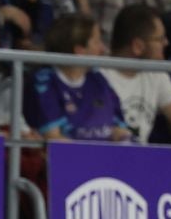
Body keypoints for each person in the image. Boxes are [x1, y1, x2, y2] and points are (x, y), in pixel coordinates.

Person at [106, 4, 171, 144]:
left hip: (141, 162)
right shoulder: (98, 75)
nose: (166, 43)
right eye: (160, 39)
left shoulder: (156, 74)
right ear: (137, 47)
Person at [24, 12, 129, 141]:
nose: (103, 49)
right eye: (97, 42)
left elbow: (120, 130)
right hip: (68, 160)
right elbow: (54, 139)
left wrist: (123, 140)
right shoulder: (44, 82)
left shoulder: (97, 79)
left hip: (105, 159)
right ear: (80, 50)